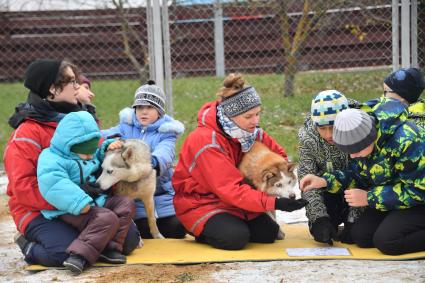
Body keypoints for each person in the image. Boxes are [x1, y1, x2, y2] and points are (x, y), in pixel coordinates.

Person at [4, 59, 140, 268]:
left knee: (126, 241)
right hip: (41, 210)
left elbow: (95, 151)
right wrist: (72, 198)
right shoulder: (27, 134)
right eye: (72, 82)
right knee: (63, 254)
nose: (78, 87)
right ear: (52, 89)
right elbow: (23, 188)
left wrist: (111, 151)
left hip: (85, 205)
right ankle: (29, 246)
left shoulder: (79, 118)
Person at [172, 73, 308, 251]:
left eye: (258, 114)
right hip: (201, 203)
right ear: (231, 115)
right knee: (235, 238)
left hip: (232, 201)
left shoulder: (250, 132)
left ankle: (227, 223)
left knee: (268, 234)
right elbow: (230, 188)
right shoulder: (206, 141)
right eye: (249, 116)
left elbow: (279, 156)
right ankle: (197, 228)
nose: (256, 121)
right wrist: (274, 203)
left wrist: (281, 176)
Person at [300, 102, 425, 255]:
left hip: (419, 201)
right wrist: (325, 181)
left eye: (355, 150)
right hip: (395, 198)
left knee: (387, 241)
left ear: (370, 138)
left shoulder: (407, 140)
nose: (353, 156)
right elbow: (356, 174)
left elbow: (419, 191)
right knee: (362, 236)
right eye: (348, 151)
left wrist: (369, 198)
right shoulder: (364, 144)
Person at [37, 111, 135, 274]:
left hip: (93, 200)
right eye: (86, 153)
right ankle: (78, 256)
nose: (90, 157)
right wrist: (79, 201)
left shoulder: (85, 153)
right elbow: (53, 185)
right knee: (107, 218)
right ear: (71, 146)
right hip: (69, 207)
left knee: (125, 204)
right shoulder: (51, 159)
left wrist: (105, 147)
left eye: (92, 151)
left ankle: (110, 248)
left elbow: (94, 153)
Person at [101, 80, 186, 239]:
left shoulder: (167, 132)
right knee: (141, 230)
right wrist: (105, 141)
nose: (143, 112)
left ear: (159, 111)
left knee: (177, 229)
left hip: (160, 195)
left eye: (149, 107)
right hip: (131, 195)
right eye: (139, 107)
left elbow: (165, 153)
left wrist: (152, 161)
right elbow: (103, 135)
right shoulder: (125, 127)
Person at [298, 90, 363, 245]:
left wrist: (353, 219)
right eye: (322, 128)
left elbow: (363, 177)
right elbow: (307, 179)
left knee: (359, 234)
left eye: (333, 127)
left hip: (357, 195)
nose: (328, 134)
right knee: (323, 228)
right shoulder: (307, 139)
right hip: (328, 194)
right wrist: (319, 218)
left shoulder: (359, 131)